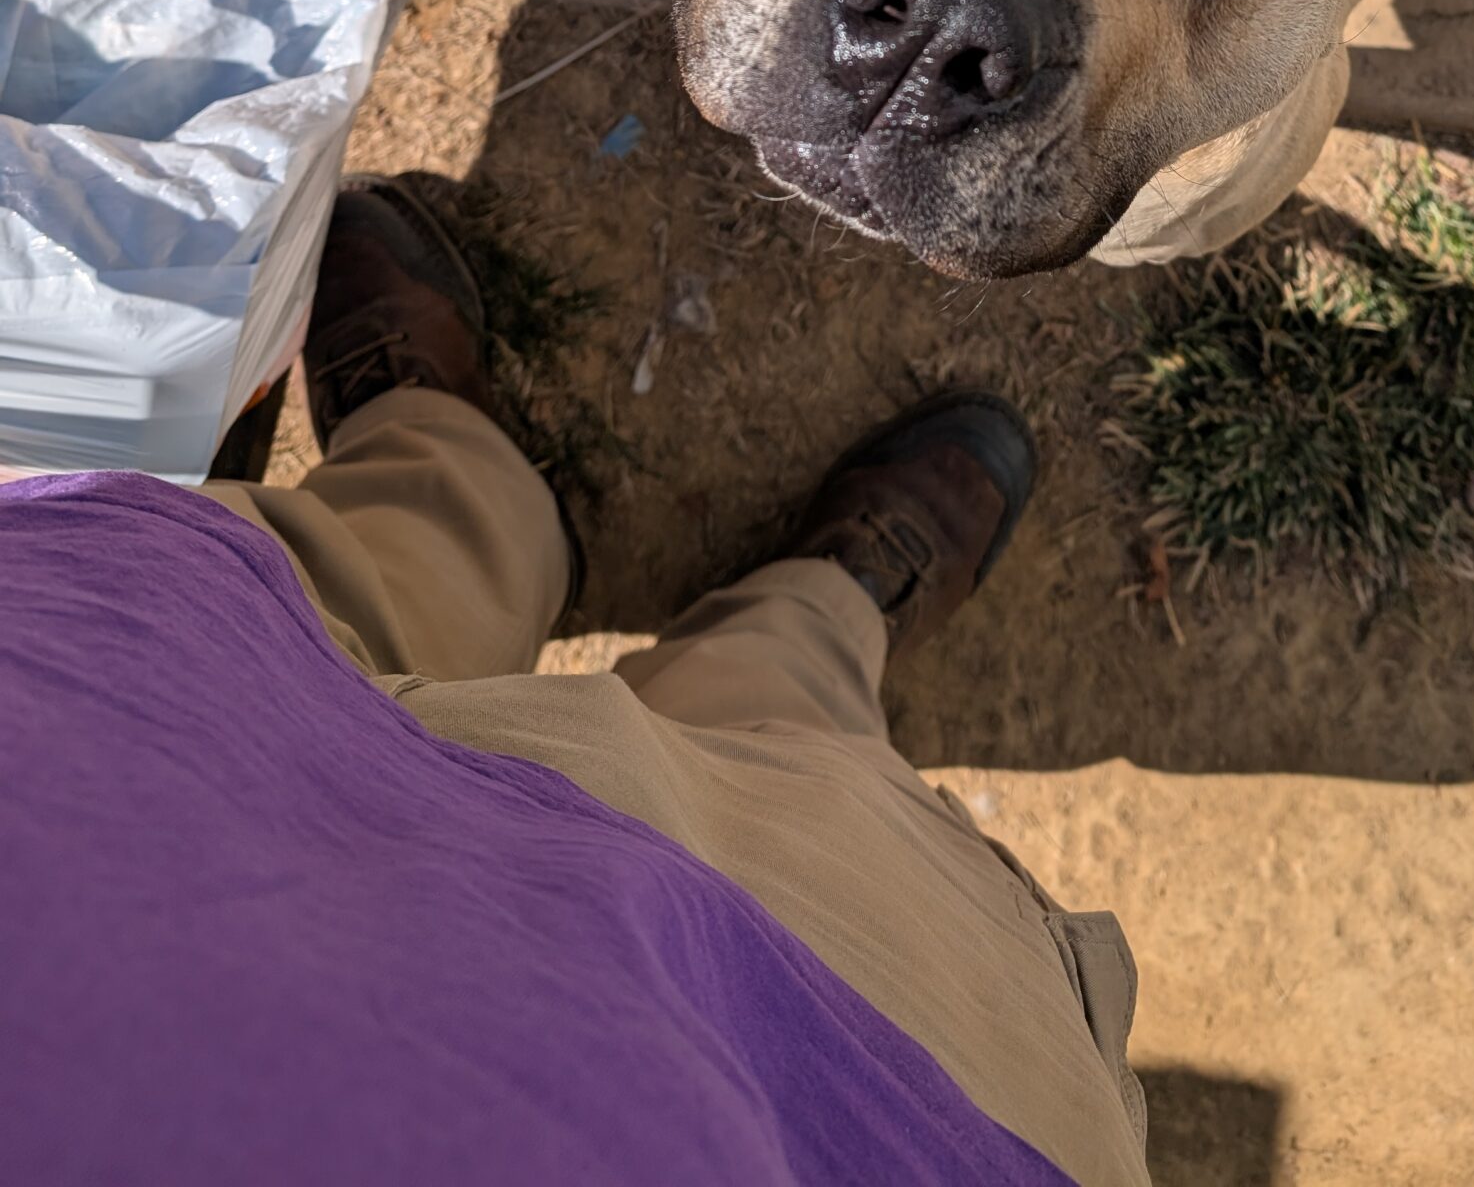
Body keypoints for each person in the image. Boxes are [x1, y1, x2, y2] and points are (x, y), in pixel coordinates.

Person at [2, 180, 1151, 1187]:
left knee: (288, 607)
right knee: (799, 784)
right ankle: (818, 612)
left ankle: (450, 467)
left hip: (76, 821)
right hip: (849, 1097)